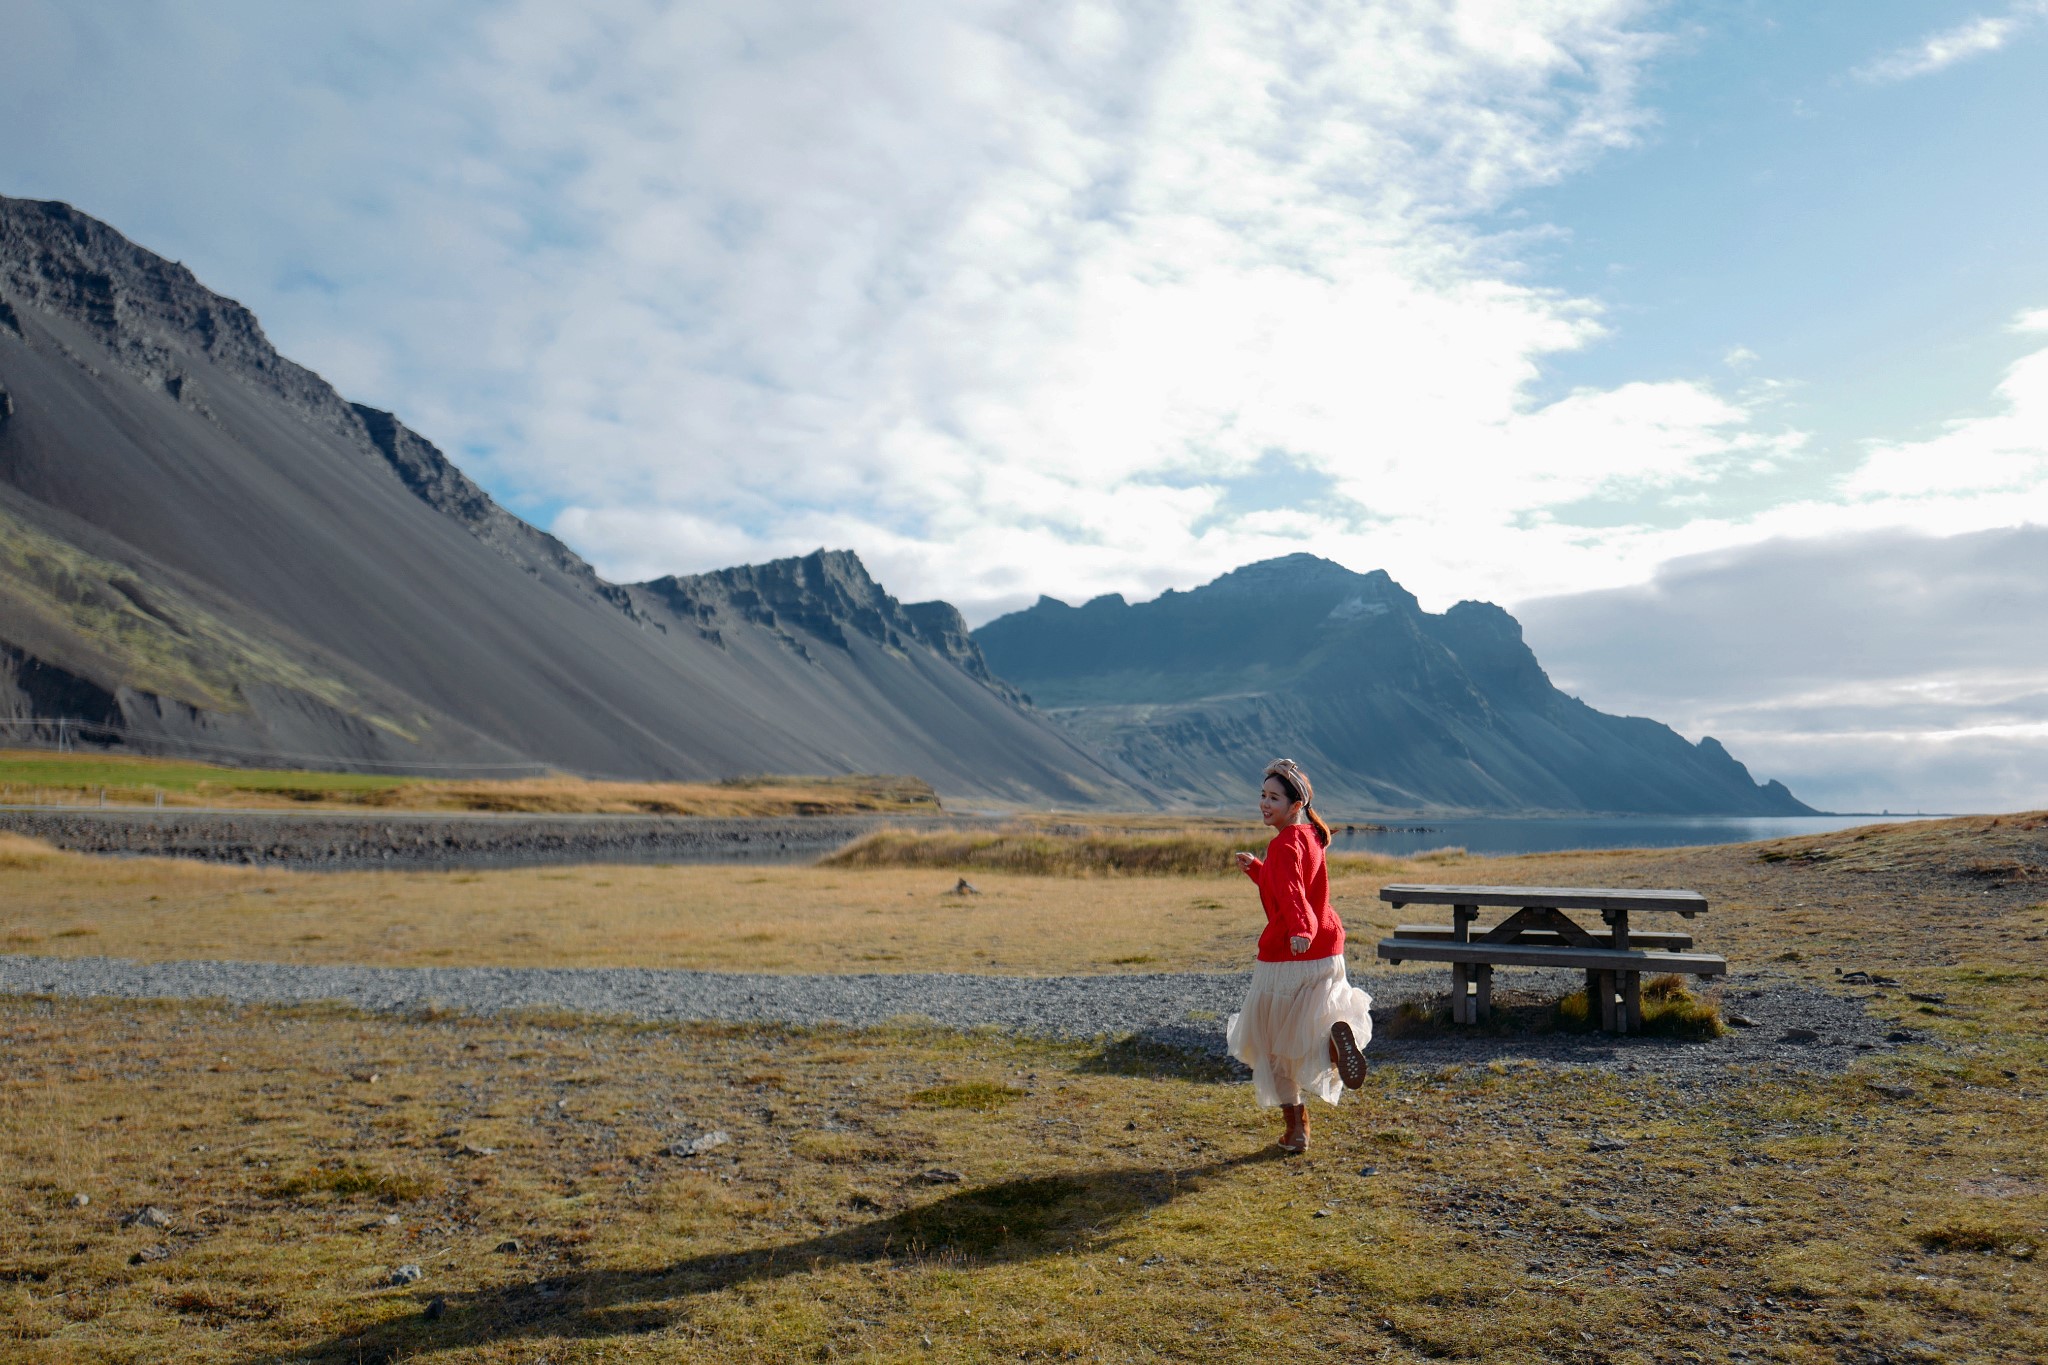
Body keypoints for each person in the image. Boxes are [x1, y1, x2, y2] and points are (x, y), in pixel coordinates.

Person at [1226, 758, 1372, 1153]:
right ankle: (1331, 1044)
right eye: (1262, 795)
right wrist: (1258, 869)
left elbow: (1292, 893)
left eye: (1274, 797)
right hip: (1327, 949)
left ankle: (1298, 1130)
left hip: (1292, 951)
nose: (1264, 803)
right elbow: (1289, 882)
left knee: (1273, 1043)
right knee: (1312, 1020)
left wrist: (1301, 930)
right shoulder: (1309, 837)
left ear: (1295, 805)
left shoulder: (1285, 842)